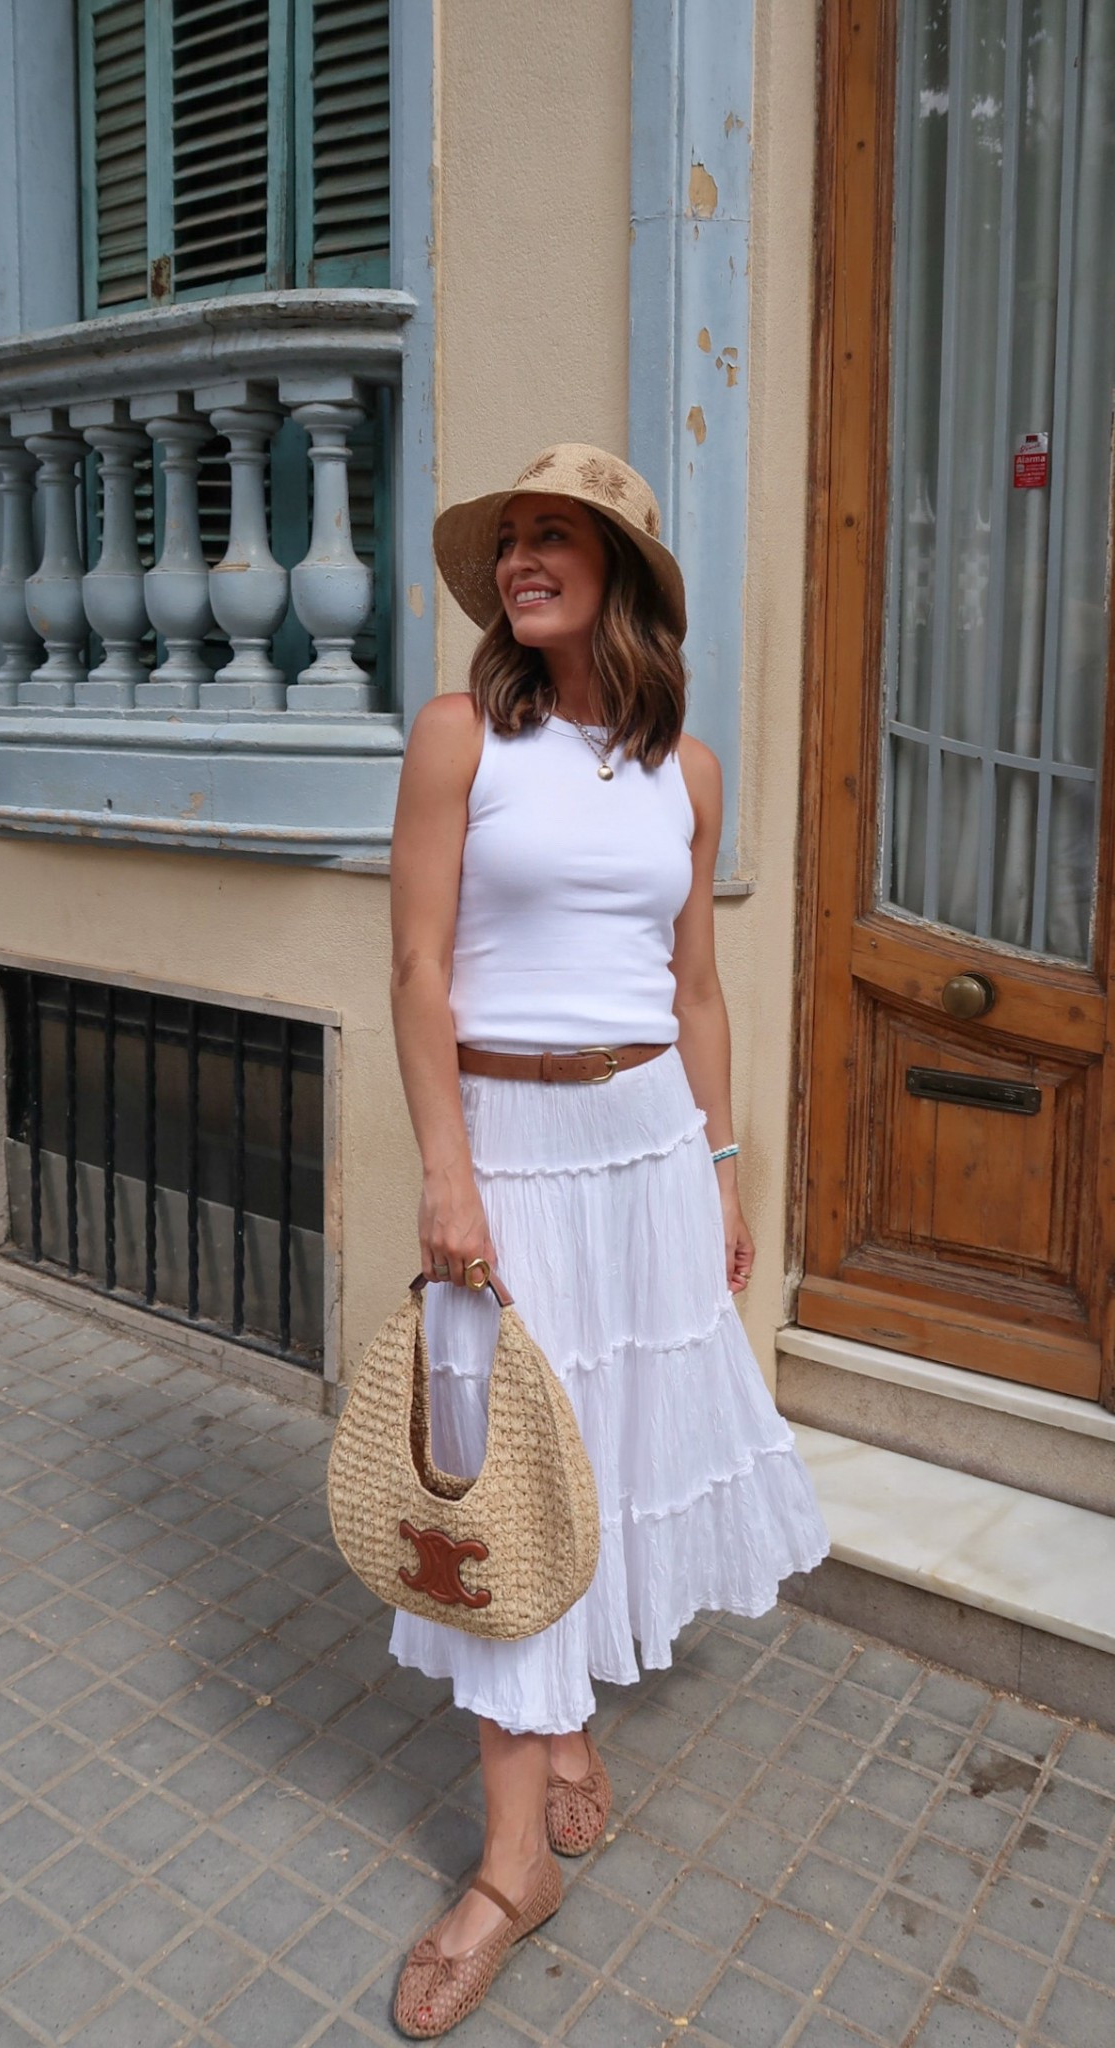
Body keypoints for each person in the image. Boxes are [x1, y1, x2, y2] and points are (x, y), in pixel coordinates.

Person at [386, 444, 829, 2036]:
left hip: (644, 1144)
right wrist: (448, 1172)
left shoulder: (685, 774)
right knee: (502, 1477)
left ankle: (568, 1726)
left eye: (552, 536)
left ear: (620, 574)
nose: (521, 559)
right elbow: (421, 975)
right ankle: (515, 1867)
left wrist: (721, 1167)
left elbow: (692, 990)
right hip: (505, 1152)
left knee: (617, 1452)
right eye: (509, 539)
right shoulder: (458, 740)